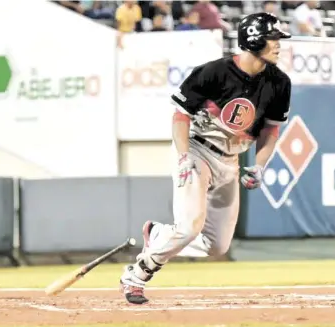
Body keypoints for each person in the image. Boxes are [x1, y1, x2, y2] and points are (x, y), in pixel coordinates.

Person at [119, 12, 292, 304]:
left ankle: (159, 234)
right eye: (273, 38)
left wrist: (260, 165)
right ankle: (137, 274)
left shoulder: (280, 83)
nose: (278, 44)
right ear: (254, 40)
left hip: (230, 161)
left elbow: (271, 131)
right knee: (189, 227)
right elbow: (180, 115)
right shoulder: (214, 72)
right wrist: (184, 155)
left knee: (217, 247)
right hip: (197, 151)